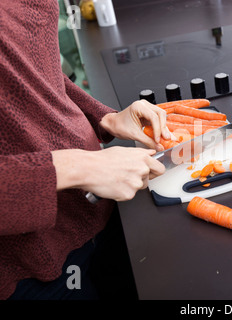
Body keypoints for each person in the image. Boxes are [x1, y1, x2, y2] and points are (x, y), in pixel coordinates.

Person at [0, 0, 171, 299]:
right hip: (32, 266)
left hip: (97, 209)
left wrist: (103, 117)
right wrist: (77, 167)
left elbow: (34, 69)